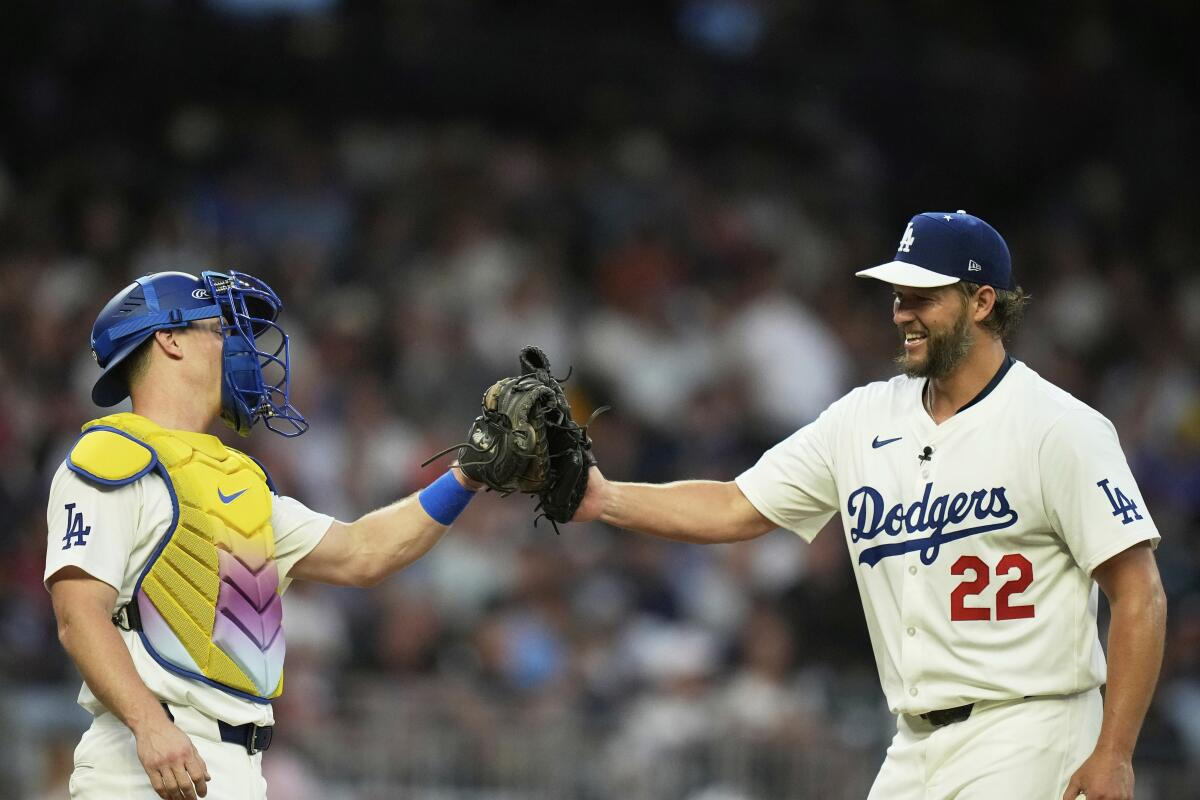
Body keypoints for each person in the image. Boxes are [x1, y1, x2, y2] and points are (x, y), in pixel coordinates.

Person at [572, 211, 1167, 800]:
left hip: (1033, 727)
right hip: (913, 742)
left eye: (923, 297)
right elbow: (734, 506)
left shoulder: (1058, 428)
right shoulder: (862, 419)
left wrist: (1114, 752)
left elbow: (1139, 594)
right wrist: (603, 498)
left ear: (982, 302)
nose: (902, 313)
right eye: (898, 295)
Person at [44, 270, 482, 800]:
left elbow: (364, 552)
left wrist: (470, 473)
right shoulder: (112, 458)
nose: (237, 346)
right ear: (169, 339)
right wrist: (149, 725)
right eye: (220, 329)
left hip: (238, 768)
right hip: (143, 762)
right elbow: (77, 614)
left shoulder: (239, 479)